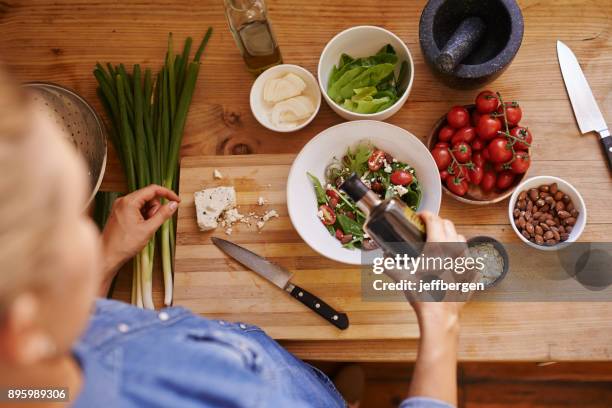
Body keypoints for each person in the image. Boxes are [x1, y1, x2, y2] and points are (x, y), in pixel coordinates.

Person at [0, 70, 465, 408]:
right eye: (69, 223)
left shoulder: (25, 386)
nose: (89, 228)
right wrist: (441, 319)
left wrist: (105, 262)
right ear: (22, 324)